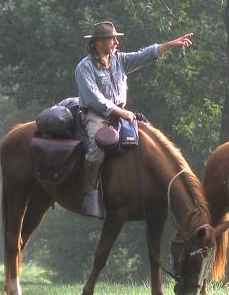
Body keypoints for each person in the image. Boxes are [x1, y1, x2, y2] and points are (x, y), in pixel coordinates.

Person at [75, 21, 194, 218]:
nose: (116, 42)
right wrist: (121, 113)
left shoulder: (119, 60)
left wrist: (172, 44)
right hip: (96, 115)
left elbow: (145, 55)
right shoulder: (84, 68)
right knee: (96, 149)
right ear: (99, 42)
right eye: (112, 39)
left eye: (115, 39)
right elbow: (94, 98)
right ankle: (90, 193)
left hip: (121, 113)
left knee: (149, 144)